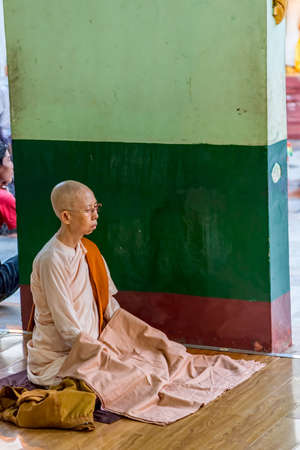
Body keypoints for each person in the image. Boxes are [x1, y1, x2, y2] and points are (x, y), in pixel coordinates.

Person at [27, 180, 120, 386]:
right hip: (62, 357)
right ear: (66, 216)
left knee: (150, 355)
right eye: (89, 210)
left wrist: (125, 336)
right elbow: (67, 327)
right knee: (121, 377)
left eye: (96, 207)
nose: (96, 215)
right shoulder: (52, 259)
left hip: (93, 346)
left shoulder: (90, 250)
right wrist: (100, 354)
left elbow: (109, 305)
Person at [0, 140, 18, 302]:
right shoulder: (3, 197)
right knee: (34, 254)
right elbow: (27, 228)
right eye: (8, 159)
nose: (12, 165)